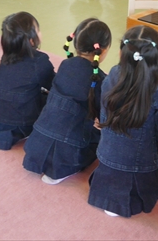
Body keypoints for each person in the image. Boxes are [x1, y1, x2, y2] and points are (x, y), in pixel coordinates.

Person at [88, 26, 158, 217]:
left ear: (121, 53)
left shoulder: (112, 74)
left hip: (106, 157)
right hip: (140, 167)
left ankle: (109, 194)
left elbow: (104, 114)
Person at [23, 18, 111, 184]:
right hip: (67, 150)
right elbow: (104, 117)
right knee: (98, 140)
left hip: (36, 144)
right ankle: (61, 169)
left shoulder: (65, 65)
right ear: (104, 50)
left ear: (76, 44)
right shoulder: (100, 79)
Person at [0, 12, 55, 150]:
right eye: (38, 30)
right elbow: (54, 86)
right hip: (23, 122)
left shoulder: (6, 57)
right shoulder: (39, 61)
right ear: (31, 41)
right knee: (54, 102)